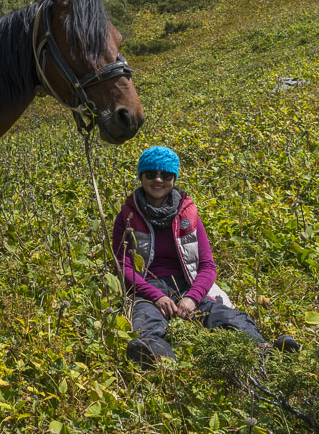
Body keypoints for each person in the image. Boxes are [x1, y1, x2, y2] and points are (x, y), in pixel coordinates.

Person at [111, 145, 297, 366]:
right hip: (147, 285)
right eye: (151, 174)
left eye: (166, 175)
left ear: (174, 178)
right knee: (145, 319)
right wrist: (156, 296)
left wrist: (192, 298)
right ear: (141, 176)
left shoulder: (188, 214)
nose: (158, 180)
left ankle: (266, 351)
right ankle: (156, 359)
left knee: (225, 316)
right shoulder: (127, 216)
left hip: (187, 283)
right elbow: (123, 266)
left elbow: (208, 266)